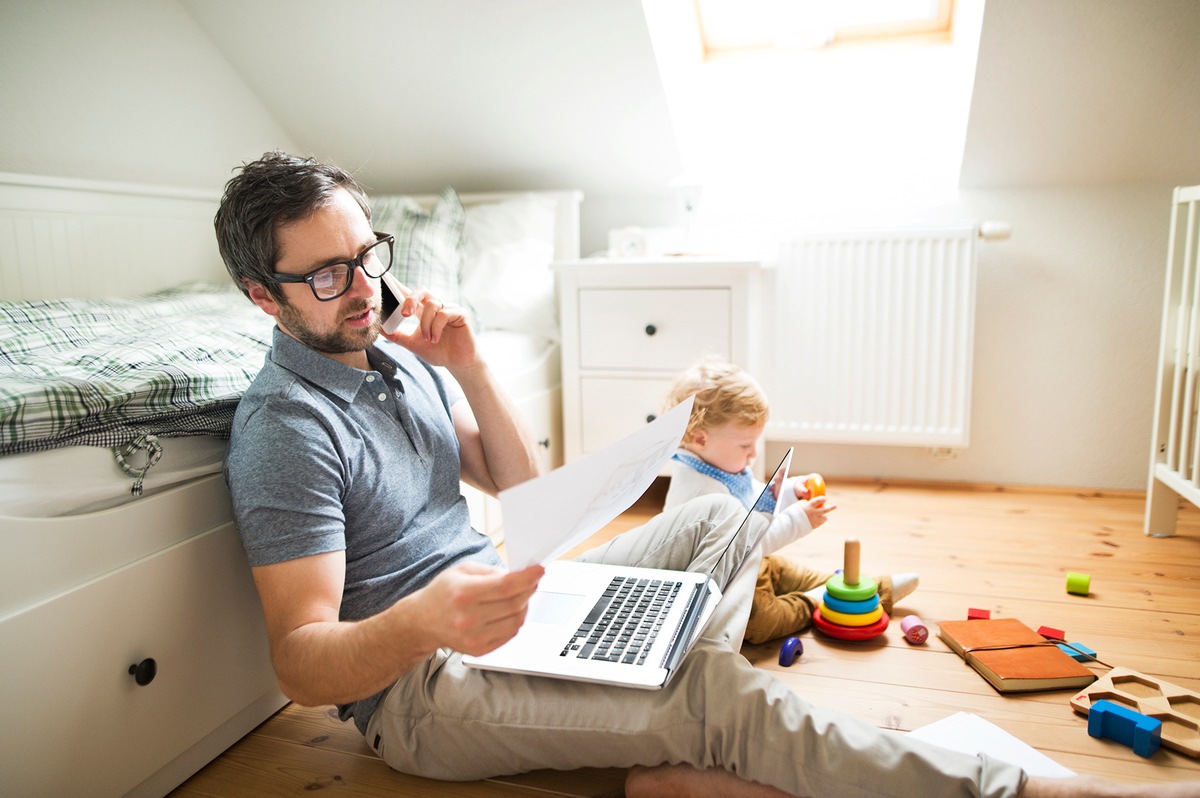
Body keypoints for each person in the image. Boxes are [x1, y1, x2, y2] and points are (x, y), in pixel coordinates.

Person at [216, 150, 1200, 798]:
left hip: (517, 615)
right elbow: (302, 663)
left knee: (726, 521)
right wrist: (424, 621)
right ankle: (1004, 786)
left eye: (368, 255)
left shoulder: (395, 354)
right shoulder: (285, 430)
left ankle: (673, 729)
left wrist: (469, 364)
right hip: (421, 688)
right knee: (715, 696)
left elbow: (521, 498)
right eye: (329, 275)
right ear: (265, 297)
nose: (367, 290)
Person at [660, 359, 918, 644]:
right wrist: (799, 520)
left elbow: (752, 501)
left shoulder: (718, 461)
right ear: (700, 438)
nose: (753, 454)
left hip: (753, 565)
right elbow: (748, 544)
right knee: (761, 623)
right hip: (724, 585)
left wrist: (790, 490)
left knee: (796, 574)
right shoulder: (698, 491)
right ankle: (814, 603)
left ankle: (876, 589)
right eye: (745, 445)